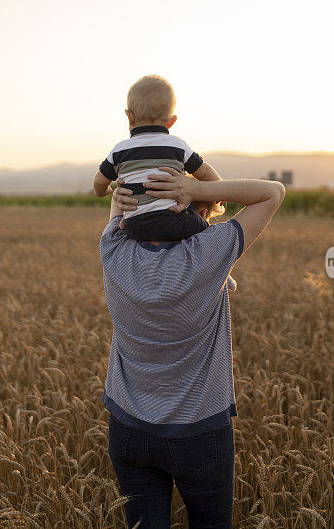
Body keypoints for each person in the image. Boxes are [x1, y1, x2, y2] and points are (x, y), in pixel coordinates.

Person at [100, 166, 286, 528]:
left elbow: (119, 220)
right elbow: (272, 192)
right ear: (199, 211)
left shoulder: (113, 249)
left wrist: (124, 198)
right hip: (199, 432)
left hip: (128, 430)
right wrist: (197, 187)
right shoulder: (208, 254)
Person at [93, 74, 237, 290]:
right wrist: (219, 191)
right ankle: (223, 271)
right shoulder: (177, 146)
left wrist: (105, 190)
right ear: (171, 121)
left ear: (129, 117)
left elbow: (98, 182)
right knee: (206, 232)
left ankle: (129, 235)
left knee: (130, 221)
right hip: (174, 220)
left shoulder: (119, 150)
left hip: (135, 227)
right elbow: (204, 172)